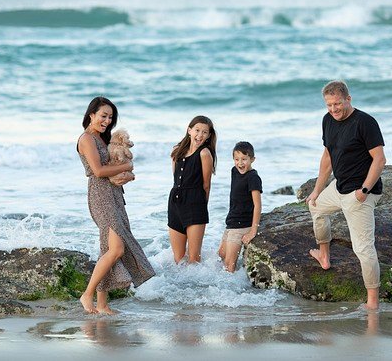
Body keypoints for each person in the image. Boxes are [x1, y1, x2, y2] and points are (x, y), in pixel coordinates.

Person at [305, 81, 386, 310]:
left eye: (337, 104)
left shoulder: (365, 122)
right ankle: (324, 256)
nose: (333, 109)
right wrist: (317, 190)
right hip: (339, 187)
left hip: (360, 193)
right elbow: (328, 156)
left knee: (363, 248)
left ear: (348, 99)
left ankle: (372, 302)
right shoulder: (327, 120)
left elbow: (379, 160)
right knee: (315, 207)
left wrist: (364, 191)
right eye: (329, 105)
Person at [77, 96, 155, 314]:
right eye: (103, 116)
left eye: (110, 117)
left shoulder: (102, 139)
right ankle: (87, 294)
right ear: (91, 114)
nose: (107, 121)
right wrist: (128, 165)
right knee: (117, 249)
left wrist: (123, 172)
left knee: (107, 248)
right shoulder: (86, 139)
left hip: (114, 194)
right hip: (100, 195)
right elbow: (99, 171)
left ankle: (102, 304)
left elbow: (110, 165)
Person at [167, 116, 217, 264]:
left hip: (195, 205)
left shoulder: (204, 154)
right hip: (175, 204)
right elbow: (176, 179)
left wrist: (202, 207)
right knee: (179, 259)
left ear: (208, 136)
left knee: (194, 259)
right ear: (189, 130)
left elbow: (206, 185)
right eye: (197, 130)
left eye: (204, 132)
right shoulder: (176, 151)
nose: (200, 135)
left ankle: (197, 287)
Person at [218, 141, 262, 272]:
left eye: (244, 159)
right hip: (232, 221)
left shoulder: (253, 178)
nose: (240, 163)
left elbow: (258, 206)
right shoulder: (234, 171)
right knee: (221, 255)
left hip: (242, 224)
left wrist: (253, 231)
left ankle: (228, 290)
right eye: (236, 159)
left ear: (252, 159)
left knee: (229, 265)